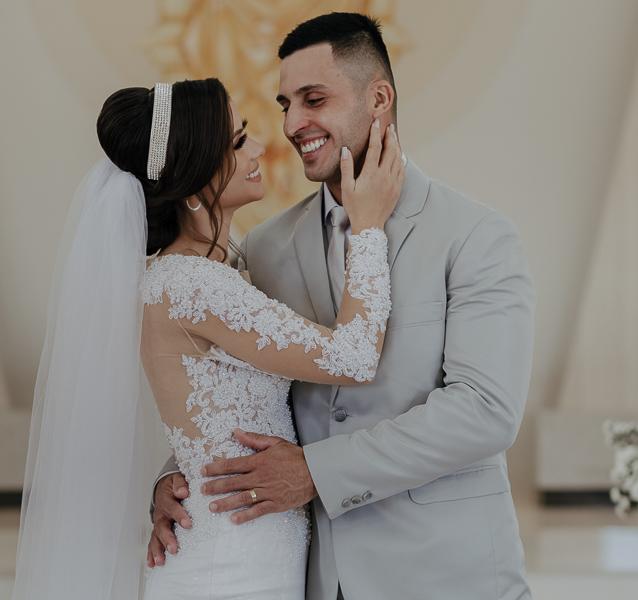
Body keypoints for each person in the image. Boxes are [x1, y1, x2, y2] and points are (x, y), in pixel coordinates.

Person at [150, 12, 536, 600]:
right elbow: (215, 377)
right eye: (285, 104)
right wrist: (176, 479)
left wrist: (316, 472)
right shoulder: (266, 246)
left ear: (378, 98)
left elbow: (485, 411)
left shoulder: (477, 236)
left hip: (447, 575)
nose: (292, 124)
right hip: (312, 576)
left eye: (314, 99)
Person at [12, 77, 403, 600]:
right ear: (195, 186)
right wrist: (370, 225)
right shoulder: (192, 284)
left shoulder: (200, 274)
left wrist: (165, 484)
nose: (262, 145)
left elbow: (202, 426)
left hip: (246, 553)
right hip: (229, 572)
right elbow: (353, 357)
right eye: (238, 141)